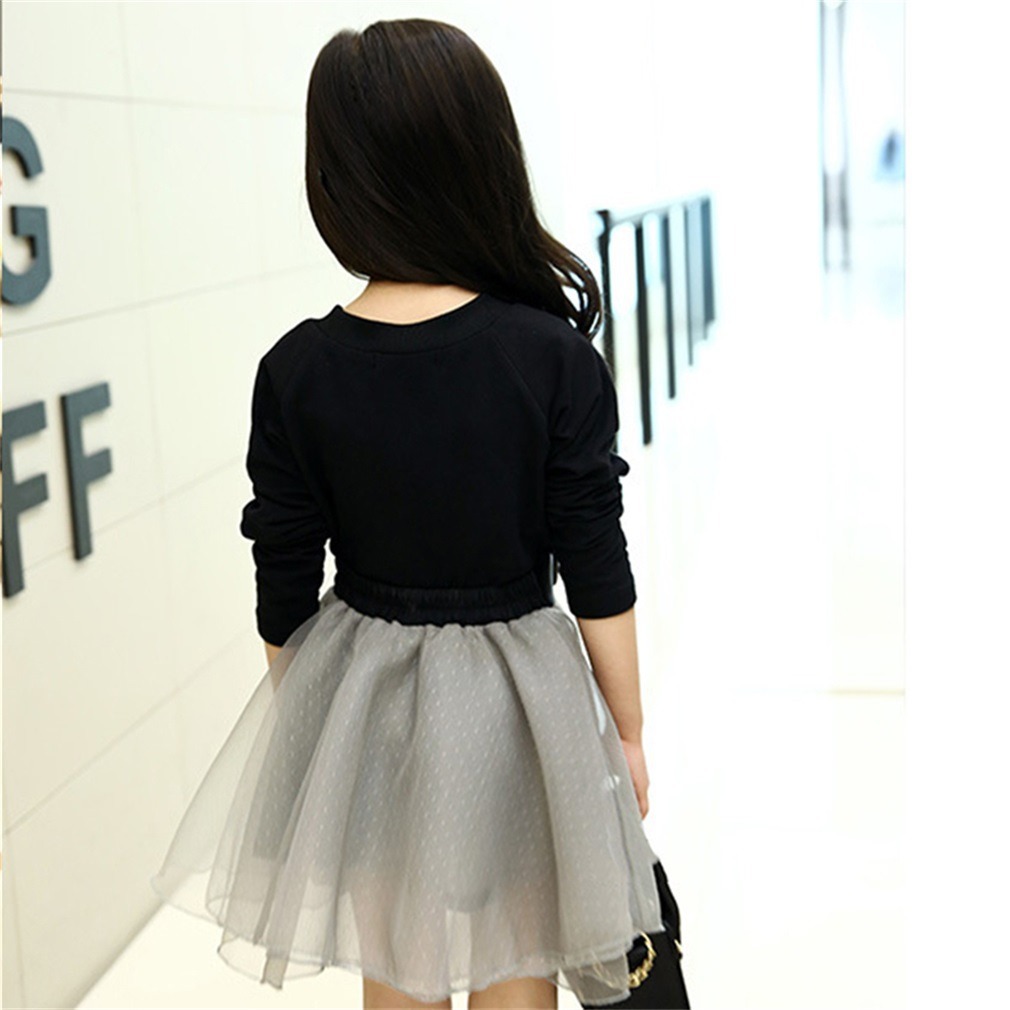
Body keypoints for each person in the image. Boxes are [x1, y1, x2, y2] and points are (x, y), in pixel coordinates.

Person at [149, 17, 663, 1010]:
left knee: (396, 961)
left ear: (336, 181)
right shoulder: (550, 357)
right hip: (522, 714)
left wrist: (319, 736)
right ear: (484, 160)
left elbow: (282, 589)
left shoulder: (296, 369)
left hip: (370, 707)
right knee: (519, 956)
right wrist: (628, 730)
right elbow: (596, 565)